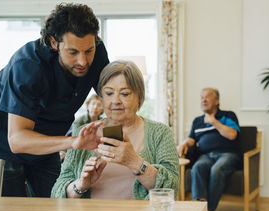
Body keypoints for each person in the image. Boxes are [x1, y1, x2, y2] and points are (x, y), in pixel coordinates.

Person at [0, 3, 109, 197]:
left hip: (47, 142)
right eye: (73, 52)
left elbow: (112, 99)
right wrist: (73, 142)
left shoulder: (95, 52)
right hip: (4, 143)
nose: (83, 61)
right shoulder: (27, 66)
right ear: (54, 42)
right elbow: (17, 140)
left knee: (57, 204)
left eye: (88, 51)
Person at [51, 60, 179, 200]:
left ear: (139, 97)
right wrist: (81, 185)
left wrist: (134, 162)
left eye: (124, 94)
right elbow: (57, 193)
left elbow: (172, 189)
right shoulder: (84, 133)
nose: (116, 101)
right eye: (109, 93)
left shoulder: (160, 133)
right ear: (101, 97)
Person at [178, 88, 242, 211]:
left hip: (228, 154)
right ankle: (199, 207)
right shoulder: (197, 121)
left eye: (207, 97)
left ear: (217, 101)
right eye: (201, 97)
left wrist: (214, 122)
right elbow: (192, 139)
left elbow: (232, 135)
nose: (203, 100)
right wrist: (184, 143)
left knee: (217, 169)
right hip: (206, 155)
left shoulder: (228, 116)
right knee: (198, 167)